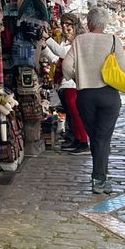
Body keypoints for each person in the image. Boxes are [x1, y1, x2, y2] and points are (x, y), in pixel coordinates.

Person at [62, 5, 125, 194]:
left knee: (97, 138)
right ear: (104, 23)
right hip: (109, 95)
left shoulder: (79, 40)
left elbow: (66, 66)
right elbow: (124, 67)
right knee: (102, 138)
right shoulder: (113, 40)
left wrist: (77, 77)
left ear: (89, 22)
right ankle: (100, 179)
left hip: (86, 96)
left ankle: (100, 178)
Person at [43, 14, 89, 153]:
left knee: (76, 114)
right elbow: (57, 59)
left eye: (68, 24)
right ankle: (77, 139)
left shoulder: (78, 41)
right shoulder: (63, 40)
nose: (64, 26)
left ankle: (83, 141)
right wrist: (45, 48)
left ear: (74, 25)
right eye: (62, 23)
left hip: (72, 82)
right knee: (71, 114)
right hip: (64, 82)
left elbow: (63, 54)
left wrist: (48, 40)